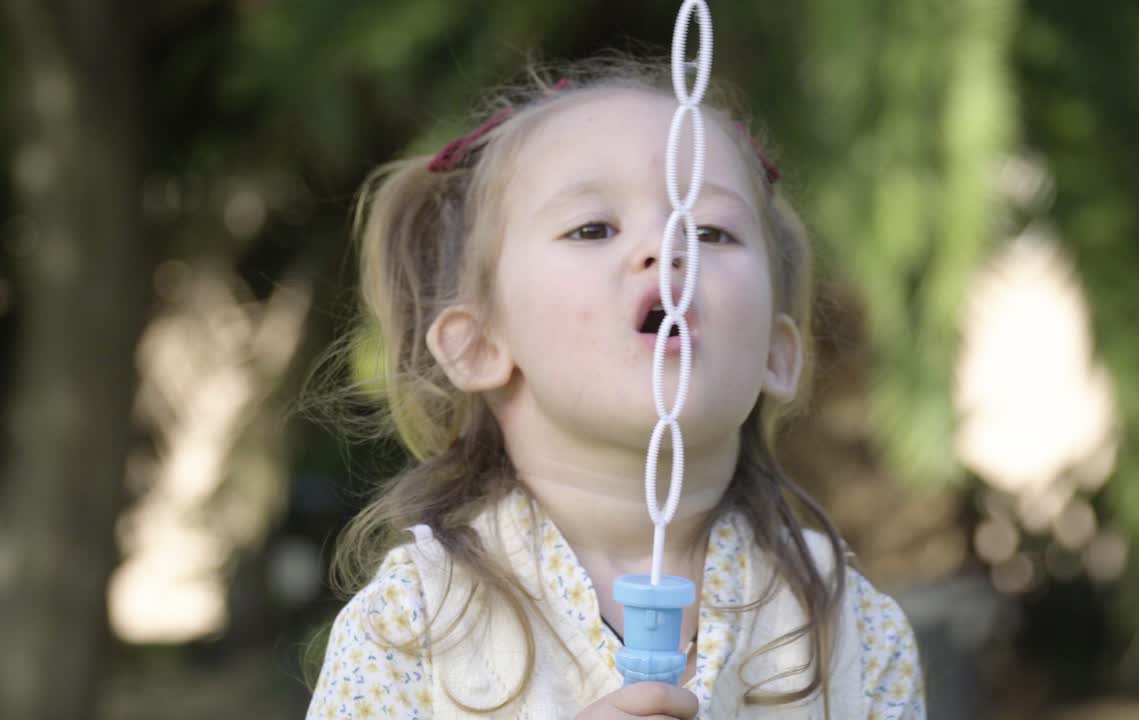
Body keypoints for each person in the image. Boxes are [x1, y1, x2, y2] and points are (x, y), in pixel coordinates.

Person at [305, 58, 926, 719]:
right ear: (479, 344)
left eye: (711, 231)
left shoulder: (850, 629)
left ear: (777, 354)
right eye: (593, 228)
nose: (666, 246)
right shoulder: (414, 625)